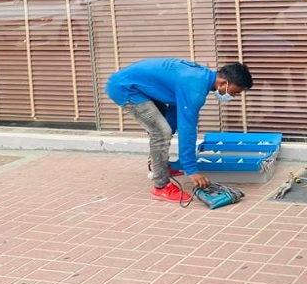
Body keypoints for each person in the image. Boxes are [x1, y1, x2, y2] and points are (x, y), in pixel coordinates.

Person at [106, 59, 253, 203]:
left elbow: (175, 114)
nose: (232, 96)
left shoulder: (200, 77)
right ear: (223, 83)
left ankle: (159, 167)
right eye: (234, 92)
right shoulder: (194, 87)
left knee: (164, 128)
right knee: (161, 131)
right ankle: (161, 187)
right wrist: (191, 169)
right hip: (125, 88)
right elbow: (187, 128)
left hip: (140, 87)